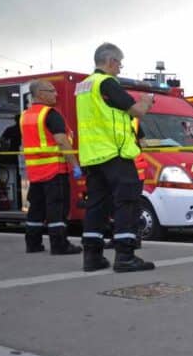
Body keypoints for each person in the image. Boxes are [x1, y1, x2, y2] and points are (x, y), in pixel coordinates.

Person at [75, 43, 155, 273]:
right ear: (110, 61)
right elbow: (136, 111)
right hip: (116, 153)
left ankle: (92, 256)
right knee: (127, 203)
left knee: (97, 206)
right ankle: (125, 256)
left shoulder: (83, 86)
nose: (120, 68)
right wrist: (147, 101)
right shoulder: (107, 82)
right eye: (119, 63)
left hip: (93, 155)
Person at [21, 79, 82, 255]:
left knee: (36, 209)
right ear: (40, 94)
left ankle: (32, 243)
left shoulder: (26, 116)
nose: (56, 94)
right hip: (54, 171)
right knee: (57, 210)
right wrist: (75, 166)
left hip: (35, 172)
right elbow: (62, 141)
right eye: (52, 91)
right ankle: (59, 244)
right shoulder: (50, 114)